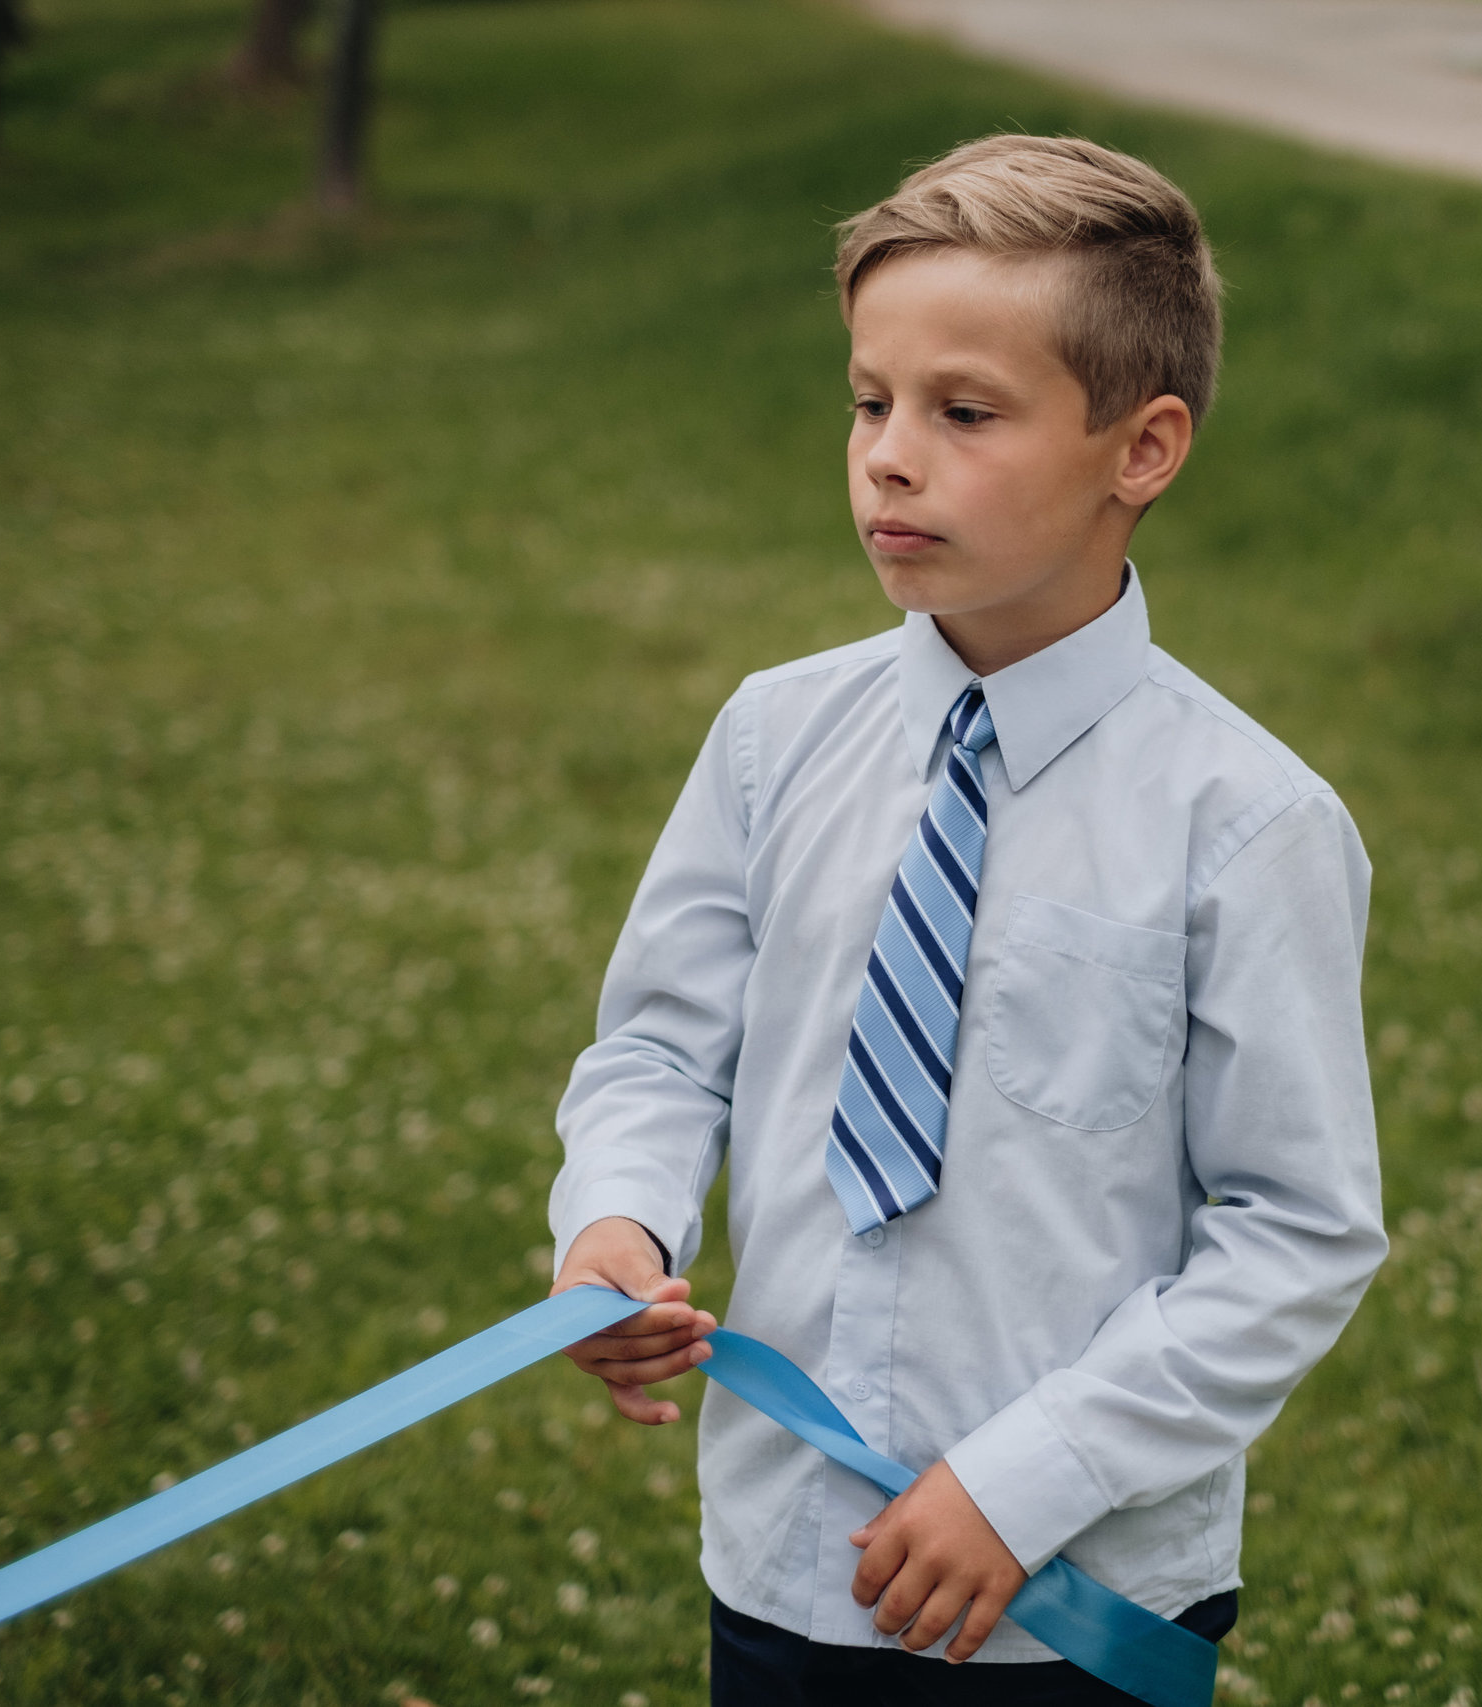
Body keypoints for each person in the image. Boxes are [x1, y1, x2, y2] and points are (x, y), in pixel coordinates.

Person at [544, 133, 1387, 1705]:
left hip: (1071, 1602)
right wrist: (618, 1220)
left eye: (965, 413)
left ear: (1142, 450)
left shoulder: (1246, 823)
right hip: (785, 1560)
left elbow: (1297, 1234)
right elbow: (665, 1047)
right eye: (869, 401)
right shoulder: (770, 737)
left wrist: (1031, 1475)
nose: (888, 455)